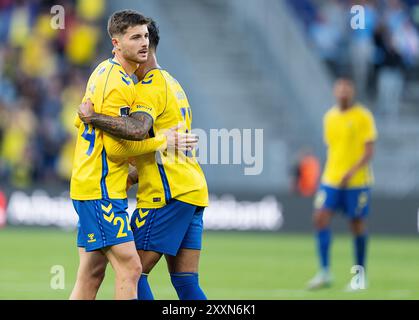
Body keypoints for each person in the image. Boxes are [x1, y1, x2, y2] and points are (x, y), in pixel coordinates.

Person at [78, 18, 209, 300]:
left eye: (143, 38)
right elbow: (165, 149)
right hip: (193, 190)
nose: (141, 43)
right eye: (136, 37)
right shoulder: (173, 84)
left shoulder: (149, 86)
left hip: (166, 194)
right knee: (186, 282)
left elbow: (137, 130)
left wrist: (93, 118)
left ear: (148, 47)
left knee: (133, 272)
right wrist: (133, 176)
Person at [307, 78, 377, 290]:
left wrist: (352, 171)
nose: (343, 92)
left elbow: (369, 151)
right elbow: (333, 149)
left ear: (352, 91)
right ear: (335, 92)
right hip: (331, 178)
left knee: (356, 224)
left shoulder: (363, 116)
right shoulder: (329, 117)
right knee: (320, 217)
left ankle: (359, 275)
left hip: (357, 181)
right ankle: (324, 272)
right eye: (340, 89)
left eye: (347, 89)